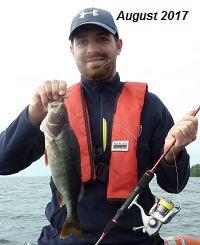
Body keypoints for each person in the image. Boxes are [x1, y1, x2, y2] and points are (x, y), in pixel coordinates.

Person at [0, 7, 198, 245]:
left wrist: (174, 154)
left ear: (119, 45)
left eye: (102, 39)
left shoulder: (149, 105)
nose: (92, 49)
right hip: (62, 239)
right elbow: (3, 163)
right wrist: (31, 115)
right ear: (72, 50)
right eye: (82, 41)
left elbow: (174, 185)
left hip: (134, 239)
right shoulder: (53, 108)